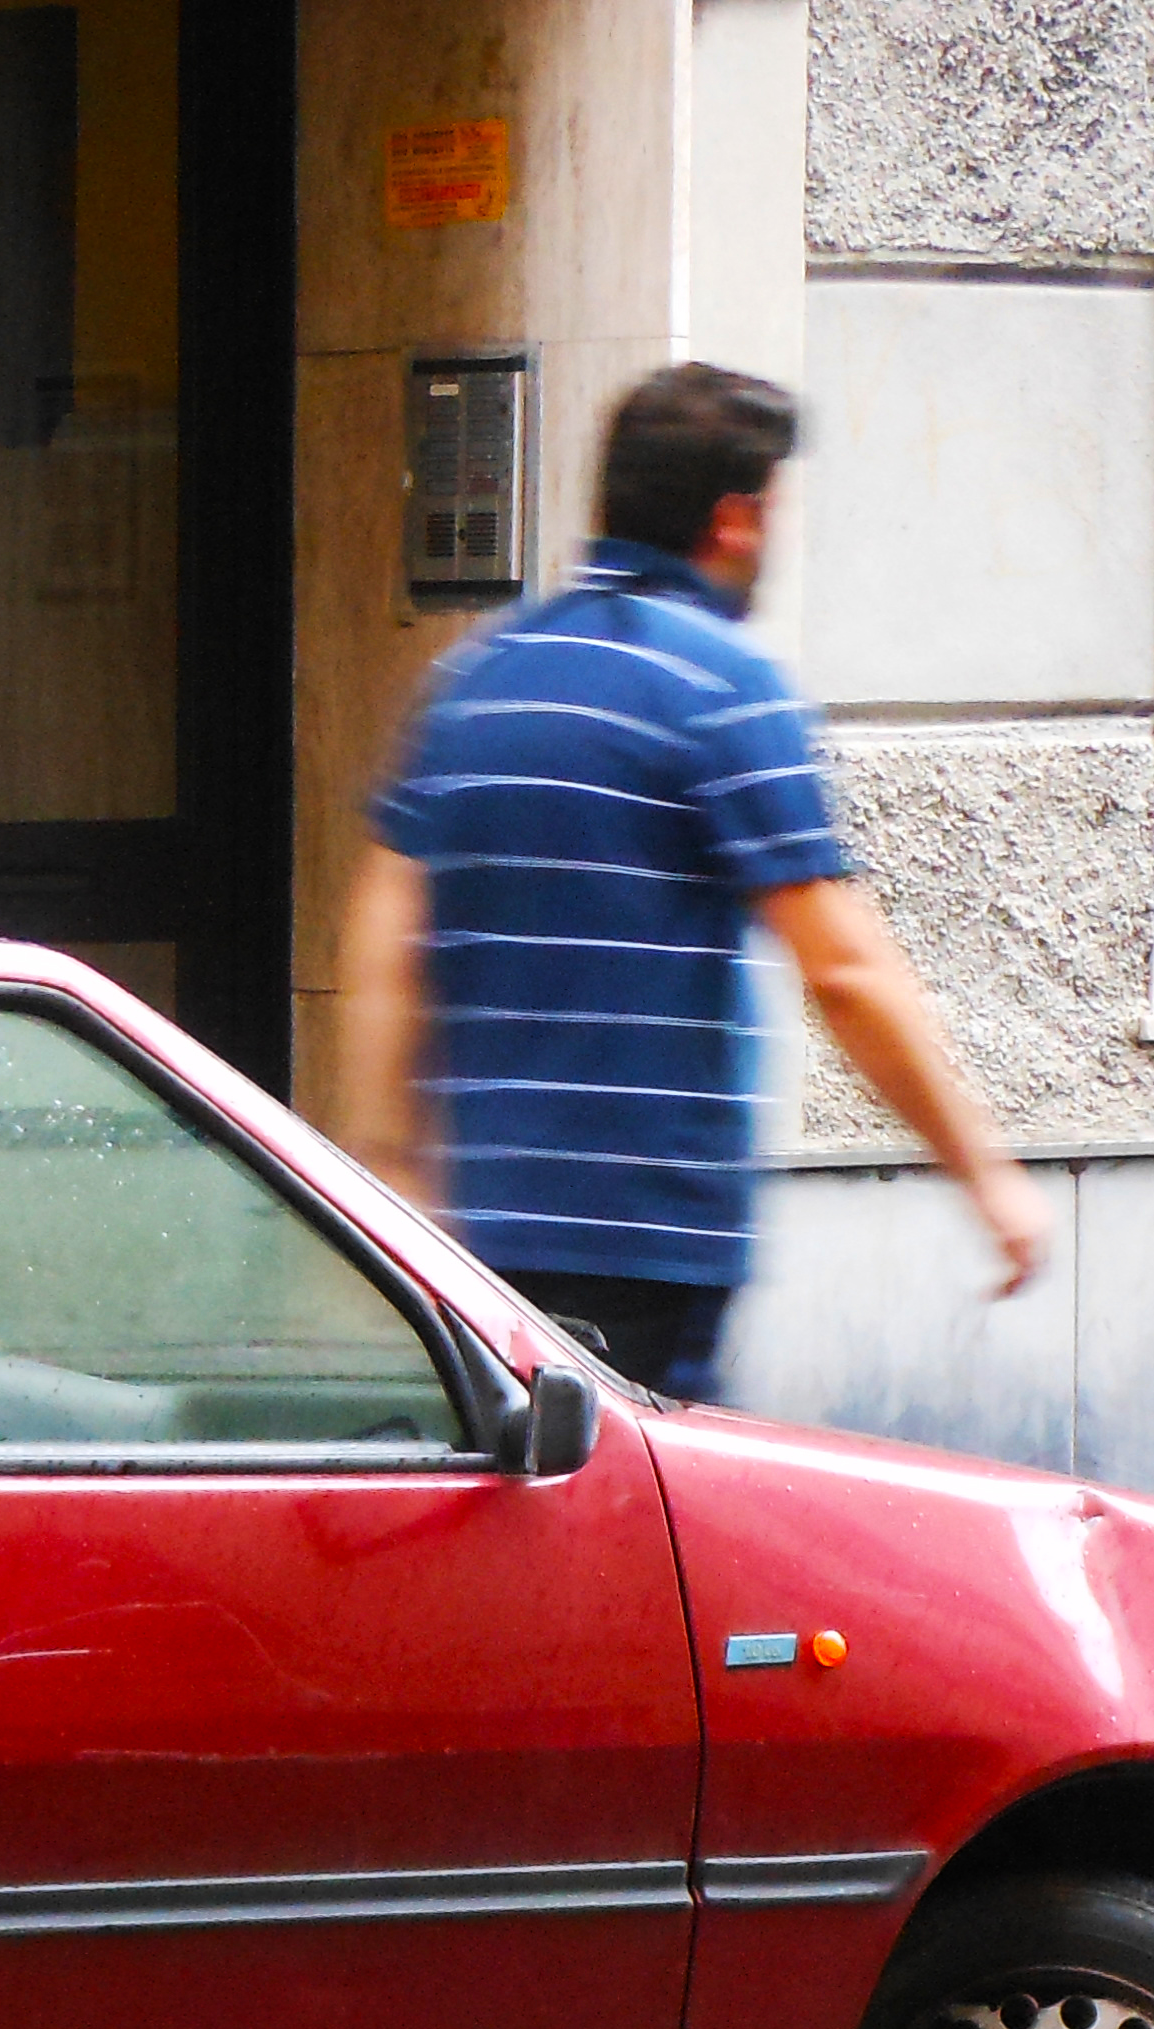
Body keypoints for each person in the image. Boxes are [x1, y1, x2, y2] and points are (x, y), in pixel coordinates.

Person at [336, 361, 1046, 1403]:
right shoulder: (722, 687)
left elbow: (384, 939)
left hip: (471, 1235)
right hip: (644, 1240)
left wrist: (383, 1160)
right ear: (735, 519)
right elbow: (845, 971)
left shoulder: (476, 677)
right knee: (640, 1537)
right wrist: (989, 1176)